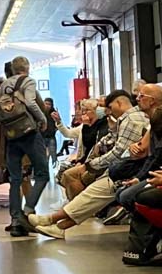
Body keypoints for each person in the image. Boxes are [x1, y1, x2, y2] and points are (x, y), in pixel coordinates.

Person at [30, 87, 156, 240]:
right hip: (124, 168)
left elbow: (124, 152)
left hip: (127, 170)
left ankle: (53, 220)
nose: (138, 98)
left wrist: (91, 165)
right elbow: (126, 146)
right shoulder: (132, 119)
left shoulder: (132, 119)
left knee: (91, 192)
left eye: (142, 95)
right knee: (89, 193)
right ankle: (56, 224)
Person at [0, 56, 49, 237]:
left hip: (11, 137)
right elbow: (31, 102)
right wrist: (42, 119)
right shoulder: (27, 81)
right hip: (29, 134)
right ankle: (27, 211)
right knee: (42, 173)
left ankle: (15, 220)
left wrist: (6, 124)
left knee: (15, 179)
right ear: (27, 67)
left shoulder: (3, 86)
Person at [41, 98, 58, 168]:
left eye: (49, 104)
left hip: (51, 137)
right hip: (42, 137)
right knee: (41, 157)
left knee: (53, 156)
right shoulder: (40, 113)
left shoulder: (54, 113)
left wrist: (55, 129)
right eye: (46, 103)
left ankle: (54, 172)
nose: (47, 106)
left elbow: (58, 123)